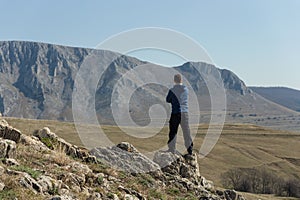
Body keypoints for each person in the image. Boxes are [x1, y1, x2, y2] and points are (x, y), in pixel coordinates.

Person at [166, 74, 193, 155]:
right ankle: (190, 150)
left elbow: (168, 100)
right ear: (181, 80)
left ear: (174, 80)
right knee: (186, 131)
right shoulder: (186, 89)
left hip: (175, 112)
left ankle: (172, 149)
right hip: (185, 113)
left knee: (173, 131)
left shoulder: (172, 90)